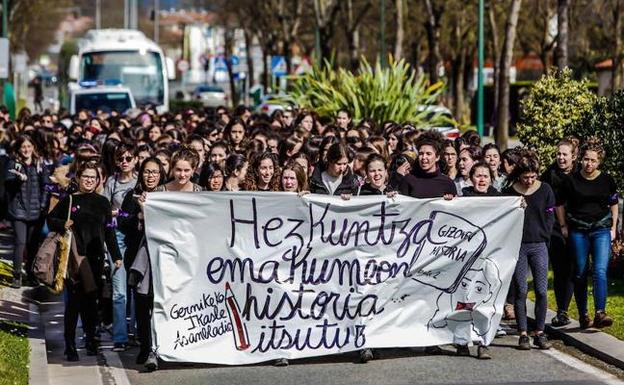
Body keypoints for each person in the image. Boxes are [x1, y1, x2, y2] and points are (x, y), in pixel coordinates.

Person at [48, 161, 122, 361]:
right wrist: (64, 223)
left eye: (93, 177)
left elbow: (109, 231)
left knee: (91, 303)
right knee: (73, 303)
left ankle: (91, 341)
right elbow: (50, 220)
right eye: (86, 176)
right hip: (73, 259)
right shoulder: (70, 200)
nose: (89, 180)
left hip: (95, 259)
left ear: (98, 180)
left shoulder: (103, 202)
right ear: (78, 178)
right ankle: (70, 345)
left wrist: (116, 256)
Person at [556, 137, 618, 329]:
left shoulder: (607, 180)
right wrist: (563, 225)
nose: (588, 163)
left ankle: (600, 312)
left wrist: (614, 227)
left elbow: (614, 204)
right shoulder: (571, 181)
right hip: (578, 230)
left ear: (599, 162)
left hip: (601, 229)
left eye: (593, 160)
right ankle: (583, 313)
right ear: (580, 159)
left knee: (599, 270)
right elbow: (559, 204)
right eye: (586, 159)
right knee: (581, 272)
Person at [118, 157, 166, 371]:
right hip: (137, 257)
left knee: (159, 305)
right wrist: (139, 213)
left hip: (162, 260)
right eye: (147, 172)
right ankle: (145, 346)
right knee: (141, 304)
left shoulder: (167, 196)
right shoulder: (131, 196)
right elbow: (122, 222)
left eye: (155, 172)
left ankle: (160, 347)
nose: (151, 176)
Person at [504, 150, 555, 350]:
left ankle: (540, 332)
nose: (529, 181)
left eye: (533, 177)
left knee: (542, 290)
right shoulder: (510, 191)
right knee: (521, 290)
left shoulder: (546, 190)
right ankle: (523, 332)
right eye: (525, 177)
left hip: (539, 244)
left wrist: (545, 235)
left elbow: (550, 215)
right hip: (519, 246)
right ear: (519, 175)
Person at [103, 143, 137, 351]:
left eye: (128, 158)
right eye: (120, 158)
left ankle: (137, 331)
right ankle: (120, 337)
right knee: (119, 291)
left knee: (137, 290)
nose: (124, 162)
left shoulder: (140, 181)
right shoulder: (111, 182)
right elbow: (104, 209)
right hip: (116, 238)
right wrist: (113, 213)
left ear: (135, 160)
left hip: (135, 236)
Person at [541, 137, 579, 327]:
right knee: (559, 269)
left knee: (574, 269)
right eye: (558, 154)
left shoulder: (581, 172)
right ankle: (562, 311)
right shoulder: (549, 174)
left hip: (578, 226)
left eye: (565, 154)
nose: (561, 158)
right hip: (555, 228)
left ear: (574, 156)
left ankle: (576, 310)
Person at [5, 134, 49, 288]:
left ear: (33, 148)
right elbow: (8, 183)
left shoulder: (40, 164)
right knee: (20, 243)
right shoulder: (14, 163)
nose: (26, 149)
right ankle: (17, 275)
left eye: (29, 146)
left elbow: (46, 186)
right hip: (18, 211)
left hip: (36, 211)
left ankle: (31, 274)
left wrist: (43, 204)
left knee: (33, 244)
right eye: (23, 147)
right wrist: (18, 179)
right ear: (18, 148)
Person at [398, 133, 457, 199]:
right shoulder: (408, 180)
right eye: (421, 154)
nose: (423, 157)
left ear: (437, 157)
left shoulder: (448, 183)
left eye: (428, 154)